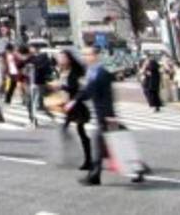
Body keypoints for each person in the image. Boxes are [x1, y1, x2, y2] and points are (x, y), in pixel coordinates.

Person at [70, 46, 145, 186]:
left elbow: (97, 94)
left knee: (103, 146)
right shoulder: (92, 71)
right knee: (116, 146)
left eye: (88, 54)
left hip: (105, 115)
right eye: (84, 55)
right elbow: (88, 91)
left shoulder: (101, 73)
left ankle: (95, 176)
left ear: (96, 56)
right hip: (104, 115)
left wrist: (75, 100)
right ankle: (138, 169)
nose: (85, 57)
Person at [56, 49, 94, 172]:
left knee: (80, 132)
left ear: (69, 59)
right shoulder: (63, 70)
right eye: (59, 57)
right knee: (66, 129)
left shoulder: (76, 72)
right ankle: (73, 156)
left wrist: (63, 88)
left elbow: (79, 89)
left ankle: (88, 160)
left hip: (77, 106)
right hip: (69, 106)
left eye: (62, 57)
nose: (60, 59)